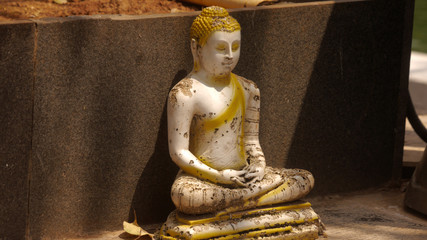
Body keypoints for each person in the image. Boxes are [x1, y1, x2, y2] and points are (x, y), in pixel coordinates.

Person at [167, 6, 314, 215]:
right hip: (204, 180)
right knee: (185, 196)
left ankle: (235, 203)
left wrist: (259, 166)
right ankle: (253, 201)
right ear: (196, 48)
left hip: (244, 176)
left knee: (303, 178)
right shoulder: (184, 93)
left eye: (235, 47)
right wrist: (218, 177)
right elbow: (178, 152)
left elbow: (252, 143)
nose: (229, 56)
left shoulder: (248, 89)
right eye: (220, 48)